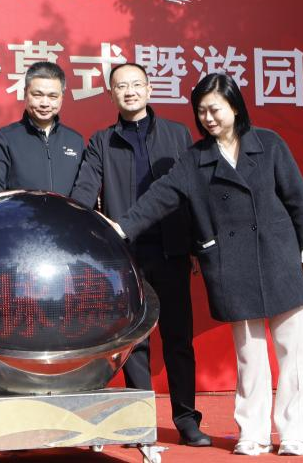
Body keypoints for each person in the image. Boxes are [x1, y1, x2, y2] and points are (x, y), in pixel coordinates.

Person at [112, 72, 303, 457]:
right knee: (249, 354)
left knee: (291, 352)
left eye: (215, 109)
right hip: (233, 264)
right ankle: (253, 433)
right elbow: (161, 196)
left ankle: (293, 432)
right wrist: (122, 227)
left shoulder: (269, 144)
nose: (208, 118)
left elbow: (297, 196)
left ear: (235, 107)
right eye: (201, 111)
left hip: (278, 256)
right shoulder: (196, 159)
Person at [70, 63, 210, 447]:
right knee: (135, 342)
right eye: (121, 86)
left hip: (171, 251)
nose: (129, 91)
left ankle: (187, 420)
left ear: (149, 89)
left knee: (178, 339)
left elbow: (193, 193)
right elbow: (84, 192)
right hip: (126, 256)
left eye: (136, 85)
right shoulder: (101, 142)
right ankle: (139, 422)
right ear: (111, 94)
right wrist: (82, 222)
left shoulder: (177, 135)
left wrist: (197, 243)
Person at [0, 61, 84, 196]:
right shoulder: (4, 139)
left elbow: (84, 191)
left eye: (52, 96)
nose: (45, 103)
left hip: (64, 211)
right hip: (18, 211)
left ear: (62, 98)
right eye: (37, 95)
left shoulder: (75, 141)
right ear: (25, 93)